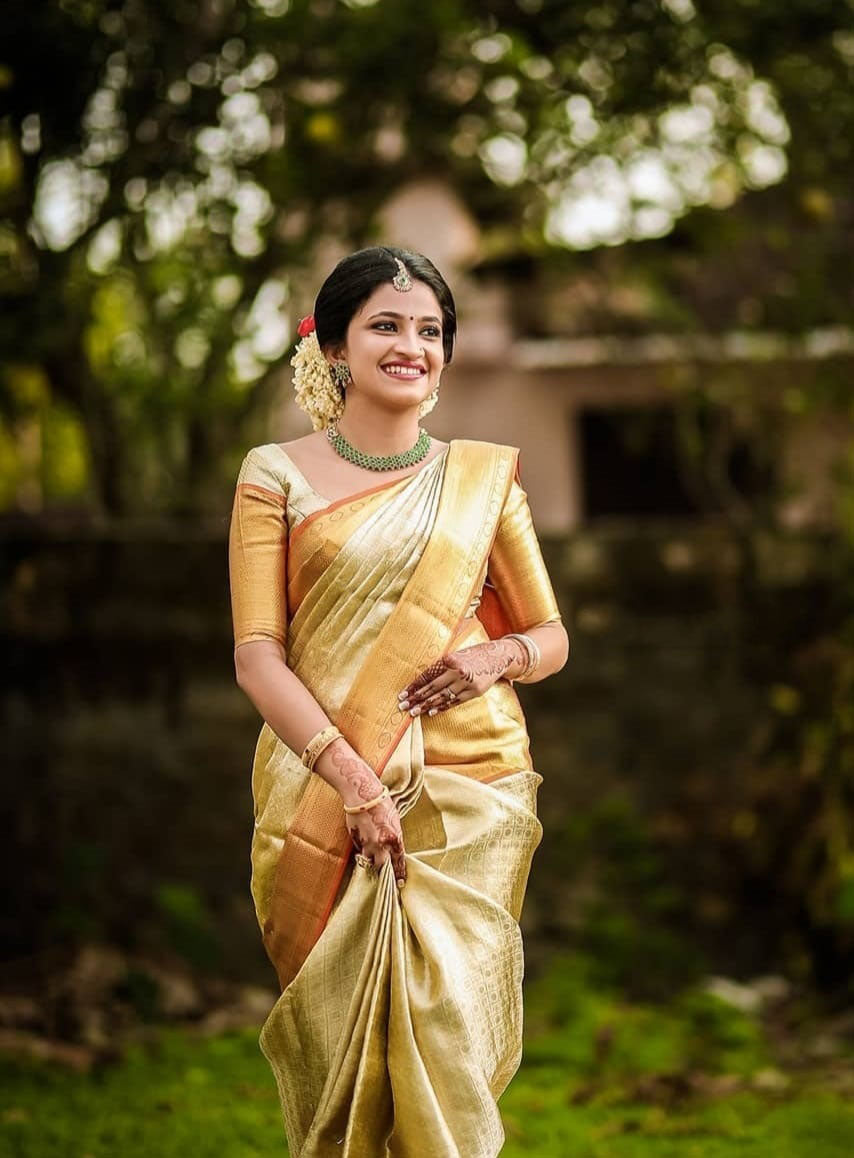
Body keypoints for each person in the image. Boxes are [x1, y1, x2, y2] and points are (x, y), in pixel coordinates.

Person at [228, 245, 570, 1158]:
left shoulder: (483, 480)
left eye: (430, 330)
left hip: (473, 785)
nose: (411, 345)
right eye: (386, 324)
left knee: (448, 1027)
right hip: (329, 785)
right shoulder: (276, 473)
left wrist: (496, 655)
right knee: (347, 1031)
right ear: (334, 347)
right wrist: (355, 783)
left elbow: (550, 636)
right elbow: (258, 657)